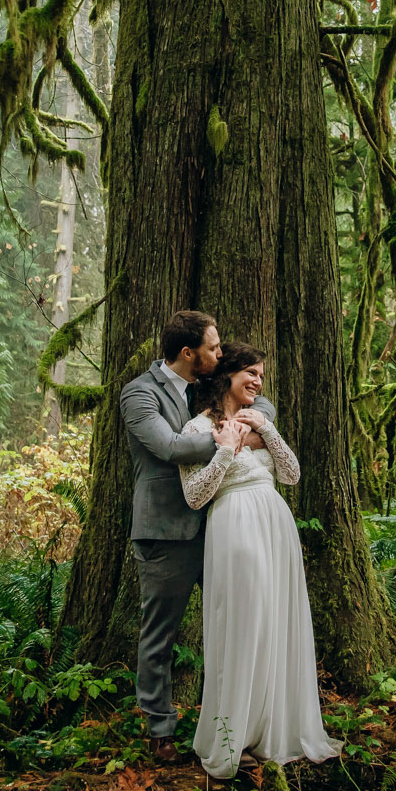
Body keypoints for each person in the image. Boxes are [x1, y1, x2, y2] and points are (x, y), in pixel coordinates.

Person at [119, 310, 277, 764]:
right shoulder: (140, 394)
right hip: (166, 533)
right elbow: (168, 447)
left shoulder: (207, 385)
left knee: (232, 626)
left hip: (221, 527)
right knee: (160, 633)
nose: (220, 353)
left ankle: (229, 724)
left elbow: (259, 402)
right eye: (212, 347)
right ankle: (160, 729)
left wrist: (249, 424)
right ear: (189, 353)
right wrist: (227, 438)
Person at [177, 342, 339, 782]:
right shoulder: (197, 428)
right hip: (235, 528)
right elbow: (194, 497)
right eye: (251, 372)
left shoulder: (258, 422)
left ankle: (273, 728)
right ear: (225, 376)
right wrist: (226, 450)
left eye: (261, 375)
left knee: (274, 625)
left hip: (275, 527)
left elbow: (290, 474)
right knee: (242, 627)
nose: (258, 381)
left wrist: (268, 430)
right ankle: (233, 736)